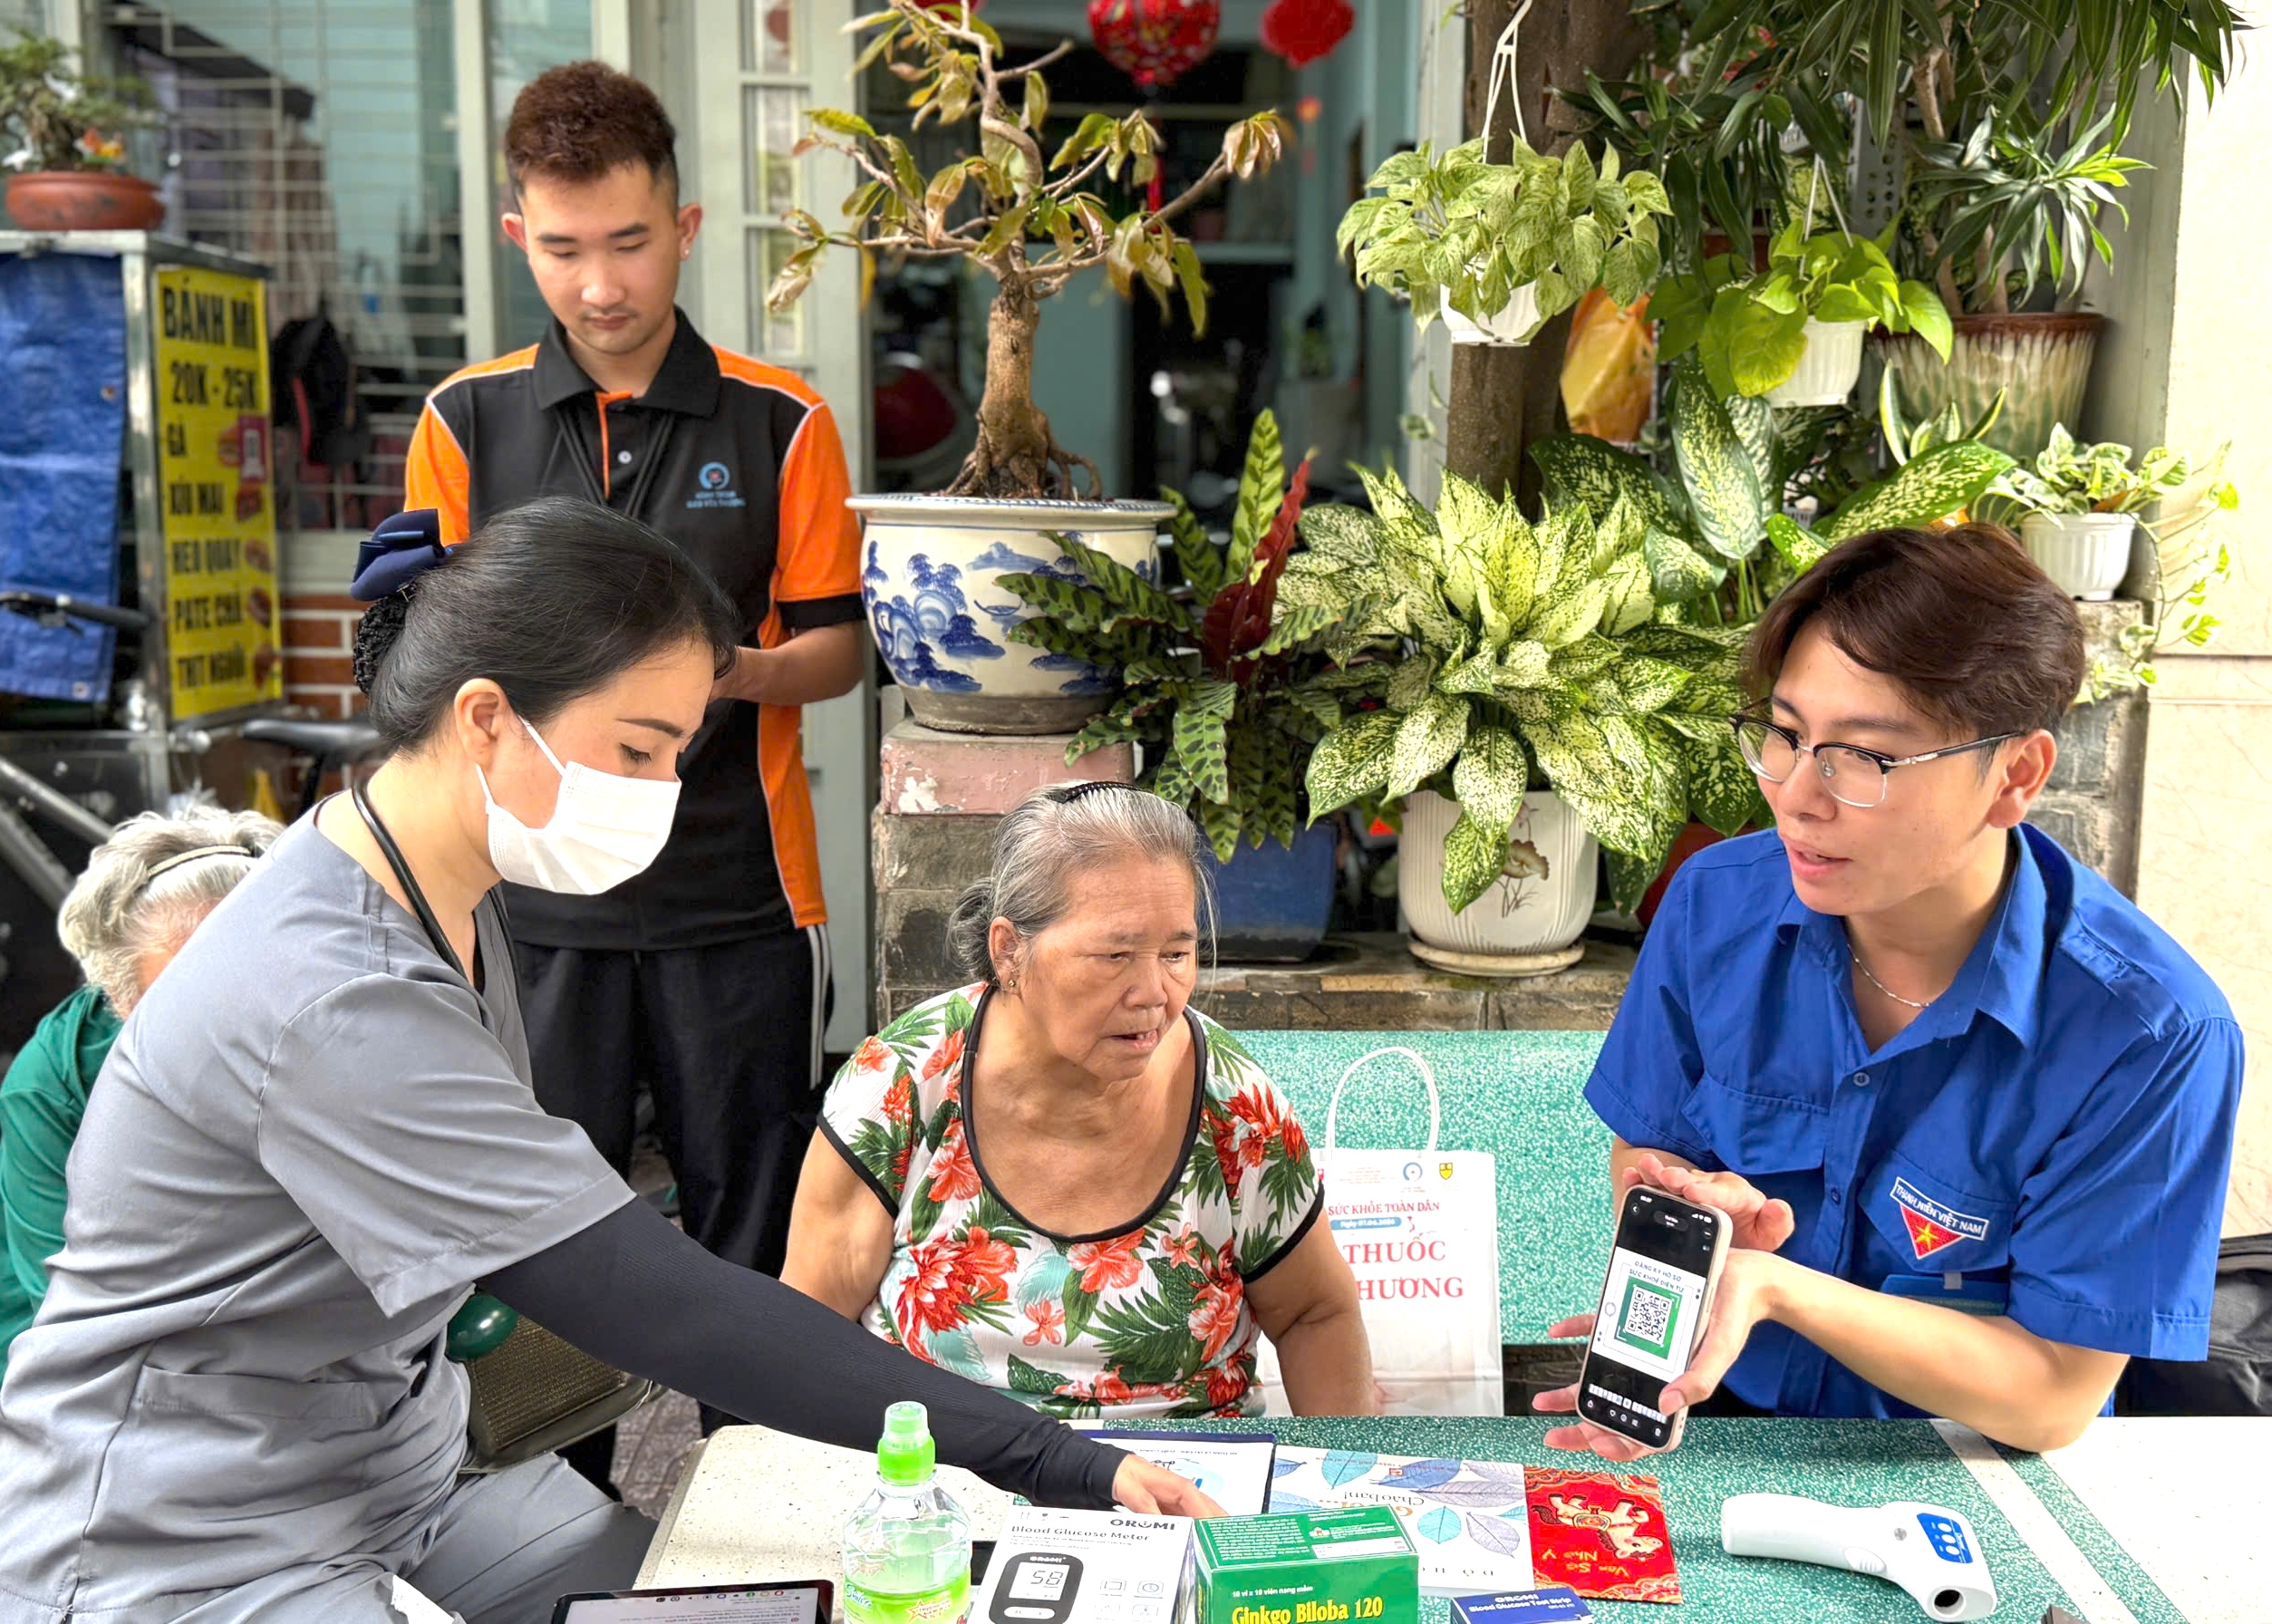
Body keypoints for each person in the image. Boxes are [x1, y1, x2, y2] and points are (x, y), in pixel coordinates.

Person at [0, 501, 1209, 1624]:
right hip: (186, 1536)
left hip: (402, 1479)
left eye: (679, 752)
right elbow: (653, 1303)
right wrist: (1051, 1457)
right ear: (485, 717)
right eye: (637, 750)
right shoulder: (326, 991)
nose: (662, 795)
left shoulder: (433, 895)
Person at [1537, 524, 2244, 1460]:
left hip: (1971, 1469)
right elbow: (1652, 1142)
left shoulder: (2150, 1032)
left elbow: (2049, 1396)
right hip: (1717, 1432)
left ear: (2014, 775)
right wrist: (1683, 1205)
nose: (1795, 793)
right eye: (1785, 735)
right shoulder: (1713, 906)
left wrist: (1776, 1284)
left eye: (1862, 759)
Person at [402, 61, 867, 1476]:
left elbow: (838, 653)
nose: (599, 285)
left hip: (738, 892)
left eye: (628, 242)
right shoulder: (465, 421)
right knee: (552, 1221)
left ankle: (751, 1495)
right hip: (532, 909)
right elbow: (424, 661)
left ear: (686, 223)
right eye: (562, 249)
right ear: (516, 239)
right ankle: (560, 1506)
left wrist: (704, 677)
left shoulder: (777, 420)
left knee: (750, 1204)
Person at [783, 783, 1376, 1418]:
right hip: (947, 1478)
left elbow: (1315, 1314)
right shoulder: (902, 1083)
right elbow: (807, 1331)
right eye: (1113, 955)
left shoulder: (1235, 1107)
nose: (1153, 993)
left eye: (1176, 953)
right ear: (1009, 949)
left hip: (1185, 1483)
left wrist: (1335, 1486)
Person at [0, 807, 282, 1366]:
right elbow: (77, 1320)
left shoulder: (346, 1019)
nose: (226, 1031)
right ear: (121, 1001)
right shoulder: (55, 1087)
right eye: (181, 1007)